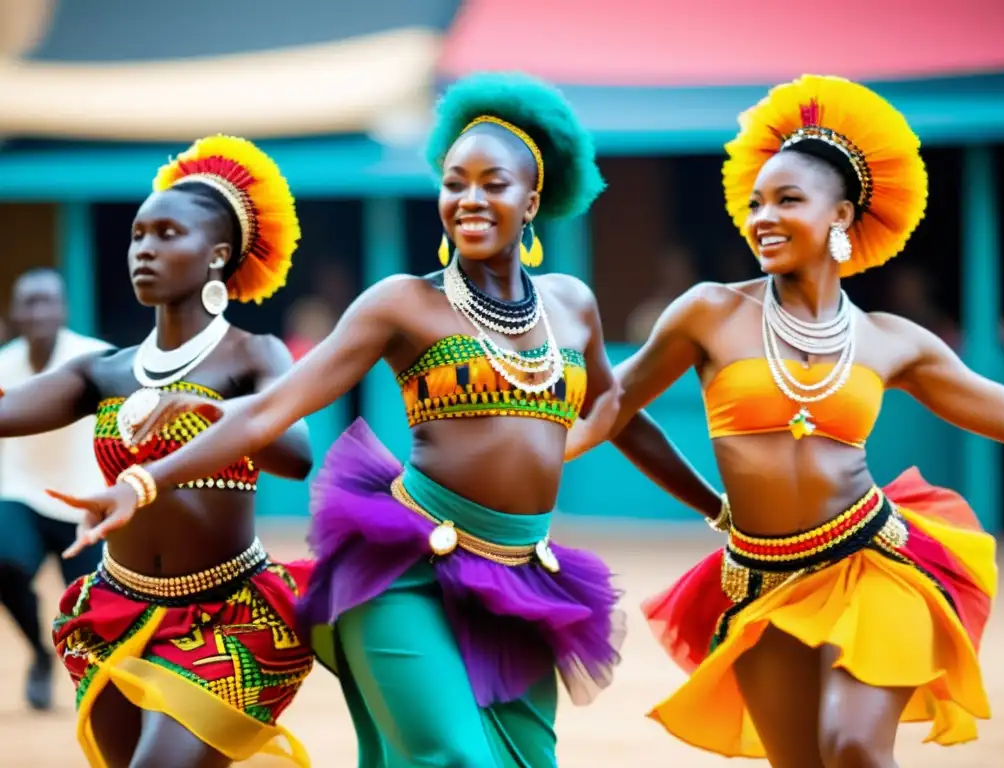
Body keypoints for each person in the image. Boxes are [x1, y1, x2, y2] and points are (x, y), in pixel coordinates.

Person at [52, 72, 721, 767]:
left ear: (533, 200)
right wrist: (142, 484)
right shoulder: (402, 303)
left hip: (524, 580)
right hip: (407, 570)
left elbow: (617, 412)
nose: (469, 199)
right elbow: (272, 410)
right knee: (454, 758)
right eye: (454, 182)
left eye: (493, 183)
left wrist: (720, 512)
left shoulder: (572, 304)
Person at [566, 75, 1004, 765]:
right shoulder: (709, 312)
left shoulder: (891, 340)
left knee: (853, 746)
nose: (762, 218)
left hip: (873, 561)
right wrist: (544, 461)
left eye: (788, 200)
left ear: (840, 216)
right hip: (760, 577)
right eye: (755, 203)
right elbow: (612, 409)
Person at [1, 135, 317, 767]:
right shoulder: (105, 372)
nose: (144, 248)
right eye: (138, 235)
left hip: (228, 620)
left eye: (168, 234)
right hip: (118, 613)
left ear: (217, 256)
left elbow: (295, 454)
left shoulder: (254, 356)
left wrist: (216, 412)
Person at [0, 268, 111, 711]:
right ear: (14, 312)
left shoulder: (96, 358)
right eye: (29, 302)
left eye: (48, 300)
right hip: (20, 492)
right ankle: (40, 655)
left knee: (94, 609)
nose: (38, 311)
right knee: (4, 563)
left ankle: (100, 689)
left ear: (64, 309)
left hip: (83, 501)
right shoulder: (4, 363)